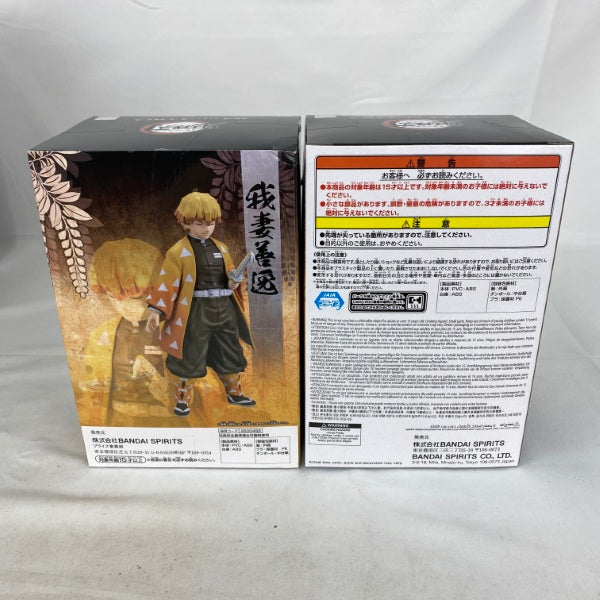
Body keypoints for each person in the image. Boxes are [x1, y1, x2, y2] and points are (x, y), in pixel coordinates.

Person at [146, 192, 254, 416]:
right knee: (189, 352)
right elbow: (167, 282)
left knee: (229, 348)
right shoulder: (178, 252)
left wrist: (233, 281)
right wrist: (156, 310)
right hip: (195, 310)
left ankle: (235, 392)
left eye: (211, 223)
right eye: (199, 223)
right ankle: (182, 400)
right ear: (185, 222)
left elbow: (230, 274)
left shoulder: (222, 248)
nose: (207, 229)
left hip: (224, 306)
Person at [81, 237, 172, 426]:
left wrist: (175, 390)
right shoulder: (101, 334)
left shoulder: (180, 328)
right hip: (118, 423)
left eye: (137, 297)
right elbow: (90, 390)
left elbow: (211, 387)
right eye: (113, 296)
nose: (125, 306)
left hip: (169, 423)